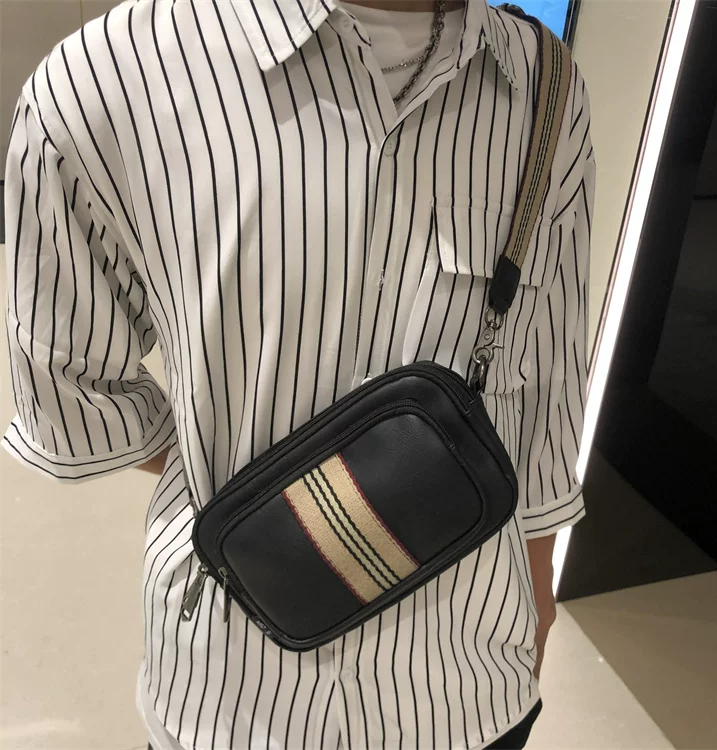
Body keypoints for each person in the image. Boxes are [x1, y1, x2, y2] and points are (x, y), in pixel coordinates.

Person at [2, 0, 594, 747]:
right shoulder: (102, 81)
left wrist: (536, 591)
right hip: (230, 691)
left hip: (465, 684)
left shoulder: (545, 87)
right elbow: (69, 394)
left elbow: (548, 386)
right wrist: (243, 483)